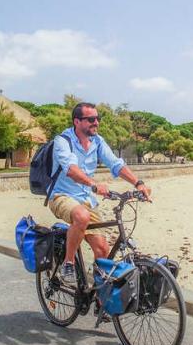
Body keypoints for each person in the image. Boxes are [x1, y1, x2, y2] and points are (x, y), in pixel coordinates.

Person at [49, 102, 150, 284]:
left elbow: (115, 164)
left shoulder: (97, 141)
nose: (96, 122)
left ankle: (99, 299)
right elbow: (70, 169)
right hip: (61, 196)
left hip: (86, 199)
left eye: (97, 119)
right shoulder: (63, 141)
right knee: (81, 216)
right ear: (77, 121)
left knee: (103, 251)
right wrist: (94, 184)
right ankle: (68, 263)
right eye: (91, 119)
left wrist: (138, 183)